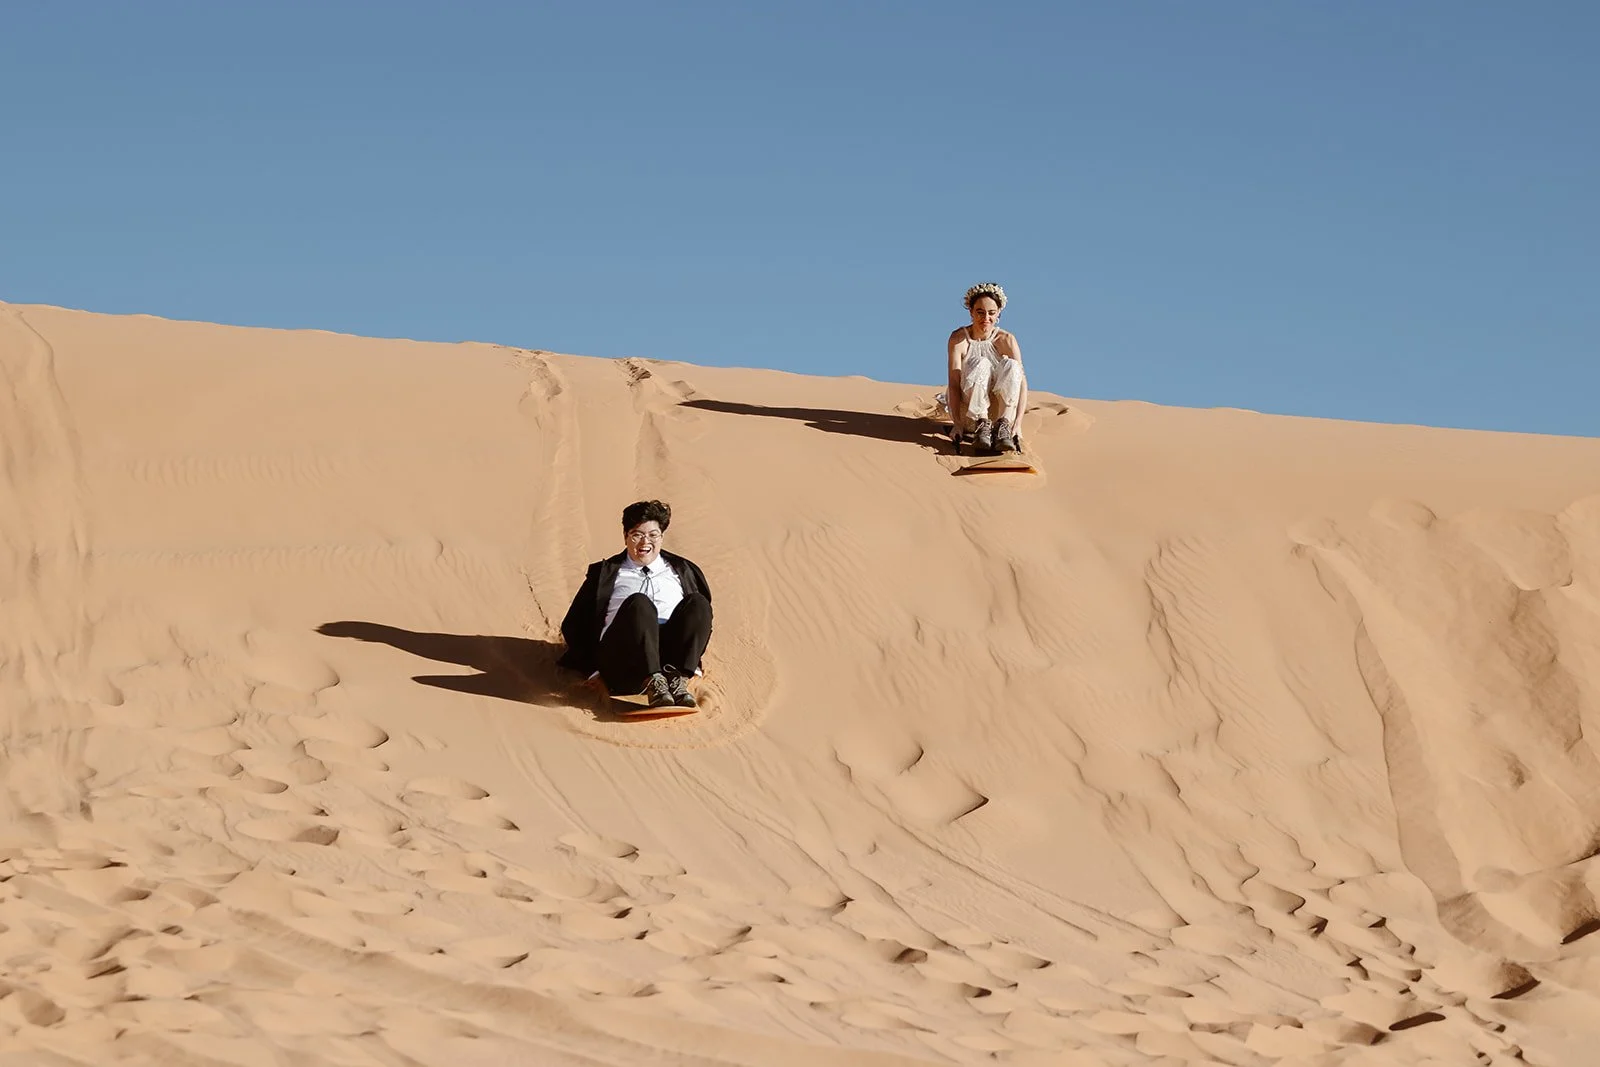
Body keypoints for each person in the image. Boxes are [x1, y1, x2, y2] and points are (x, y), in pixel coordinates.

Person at [558, 500, 713, 709]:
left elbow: (701, 622)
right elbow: (573, 625)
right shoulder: (606, 573)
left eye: (652, 535)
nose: (644, 542)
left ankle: (679, 682)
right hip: (624, 660)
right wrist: (592, 669)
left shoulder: (683, 570)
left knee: (699, 603)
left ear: (662, 537)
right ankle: (652, 682)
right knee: (640, 604)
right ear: (625, 537)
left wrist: (692, 663)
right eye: (637, 534)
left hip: (670, 661)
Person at [946, 281, 1028, 453]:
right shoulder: (958, 339)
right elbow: (953, 383)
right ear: (971, 311)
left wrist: (1018, 424)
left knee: (1012, 366)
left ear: (998, 313)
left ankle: (1003, 426)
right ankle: (982, 425)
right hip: (970, 414)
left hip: (1000, 415)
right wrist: (957, 424)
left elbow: (1021, 384)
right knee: (981, 363)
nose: (986, 319)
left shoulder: (1007, 340)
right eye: (980, 312)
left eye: (991, 313)